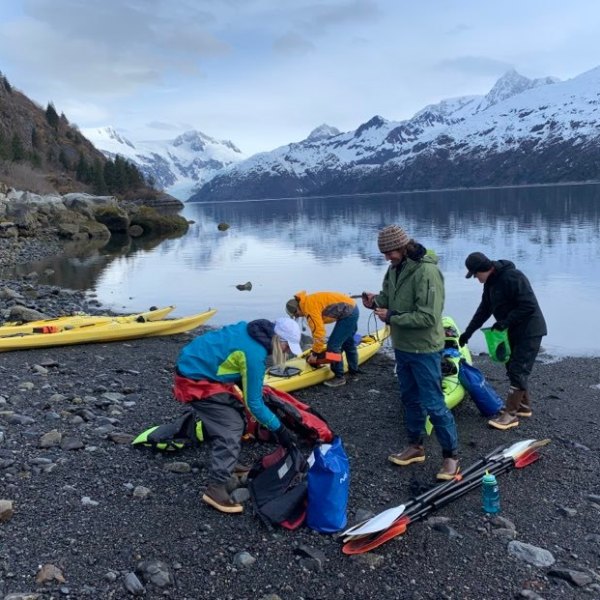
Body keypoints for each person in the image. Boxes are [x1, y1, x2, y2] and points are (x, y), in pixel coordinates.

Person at [173, 317, 302, 514]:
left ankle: (230, 463)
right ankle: (216, 488)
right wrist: (280, 430)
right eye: (287, 348)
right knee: (231, 428)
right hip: (194, 378)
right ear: (279, 341)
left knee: (239, 412)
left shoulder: (253, 331)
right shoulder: (254, 354)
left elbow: (238, 371)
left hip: (200, 366)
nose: (287, 352)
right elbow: (255, 404)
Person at [362, 225, 460, 480]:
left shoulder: (427, 272)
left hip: (425, 349)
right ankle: (415, 447)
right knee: (410, 400)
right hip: (402, 348)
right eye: (384, 253)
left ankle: (451, 458)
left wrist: (392, 316)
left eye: (390, 252)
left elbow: (429, 317)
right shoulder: (395, 268)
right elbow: (388, 296)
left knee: (434, 404)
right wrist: (376, 301)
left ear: (403, 247)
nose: (386, 257)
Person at [458, 252, 547, 431]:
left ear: (485, 269)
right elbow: (483, 310)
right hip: (512, 331)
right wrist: (468, 333)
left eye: (476, 274)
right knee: (511, 366)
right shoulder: (490, 284)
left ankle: (510, 415)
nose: (476, 278)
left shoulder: (513, 277)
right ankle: (523, 407)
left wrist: (505, 322)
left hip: (530, 330)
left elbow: (528, 305)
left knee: (518, 369)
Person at [285, 290, 360, 388]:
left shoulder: (309, 309)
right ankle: (354, 373)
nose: (298, 316)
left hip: (348, 313)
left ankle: (339, 377)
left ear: (297, 310)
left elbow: (319, 333)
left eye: (297, 315)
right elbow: (317, 328)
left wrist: (315, 353)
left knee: (333, 347)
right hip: (352, 308)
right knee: (348, 343)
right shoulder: (307, 301)